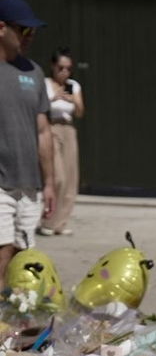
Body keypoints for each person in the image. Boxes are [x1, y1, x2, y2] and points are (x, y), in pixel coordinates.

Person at [0, 0, 54, 273]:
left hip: (29, 185)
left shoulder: (34, 73)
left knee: (24, 259)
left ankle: (13, 315)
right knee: (3, 253)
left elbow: (43, 131)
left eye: (33, 31)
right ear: (1, 28)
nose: (29, 36)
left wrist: (50, 183)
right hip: (1, 184)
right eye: (23, 29)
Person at [39, 47, 82, 237]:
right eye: (61, 68)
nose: (64, 72)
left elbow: (80, 113)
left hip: (68, 129)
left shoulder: (74, 85)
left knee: (71, 179)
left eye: (68, 69)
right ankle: (47, 221)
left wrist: (74, 100)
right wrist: (53, 98)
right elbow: (37, 107)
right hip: (51, 128)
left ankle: (61, 223)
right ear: (53, 66)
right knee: (58, 177)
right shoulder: (45, 84)